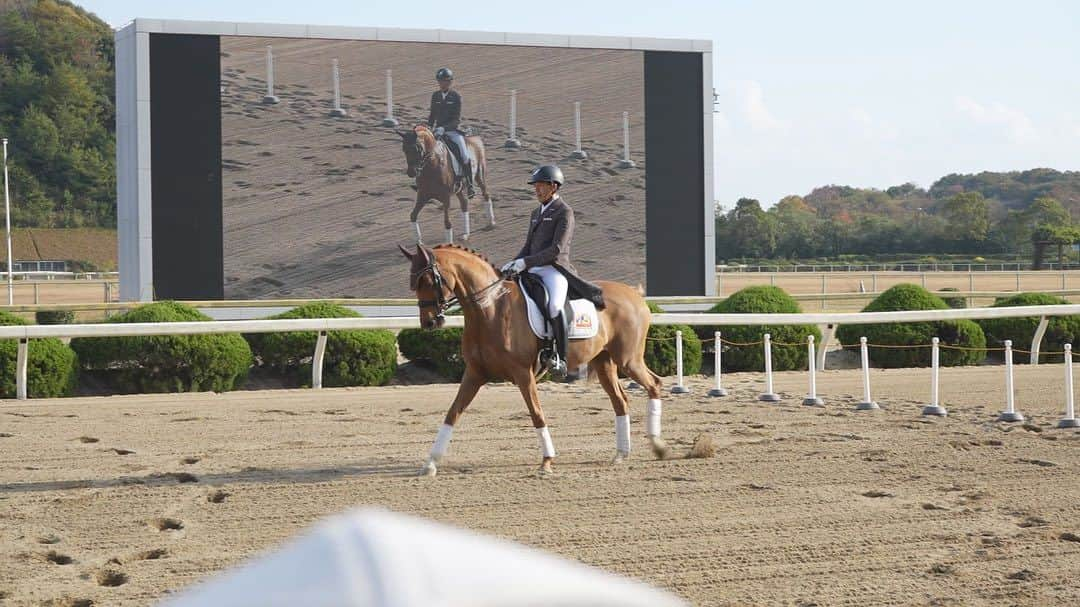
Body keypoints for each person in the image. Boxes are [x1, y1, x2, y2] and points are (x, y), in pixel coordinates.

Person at [501, 165, 603, 378]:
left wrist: (525, 262)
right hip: (533, 269)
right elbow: (528, 245)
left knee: (555, 306)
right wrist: (514, 263)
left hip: (554, 269)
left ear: (553, 186)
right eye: (535, 186)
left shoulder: (564, 212)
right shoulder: (536, 212)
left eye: (540, 186)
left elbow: (556, 249)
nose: (536, 190)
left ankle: (561, 359)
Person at [426, 67, 476, 198]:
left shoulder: (456, 97)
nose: (443, 84)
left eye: (445, 81)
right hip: (437, 131)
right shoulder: (435, 96)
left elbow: (456, 119)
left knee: (464, 155)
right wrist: (428, 127)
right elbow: (432, 116)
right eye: (441, 81)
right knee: (425, 151)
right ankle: (423, 180)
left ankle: (470, 185)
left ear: (450, 82)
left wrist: (444, 128)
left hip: (452, 131)